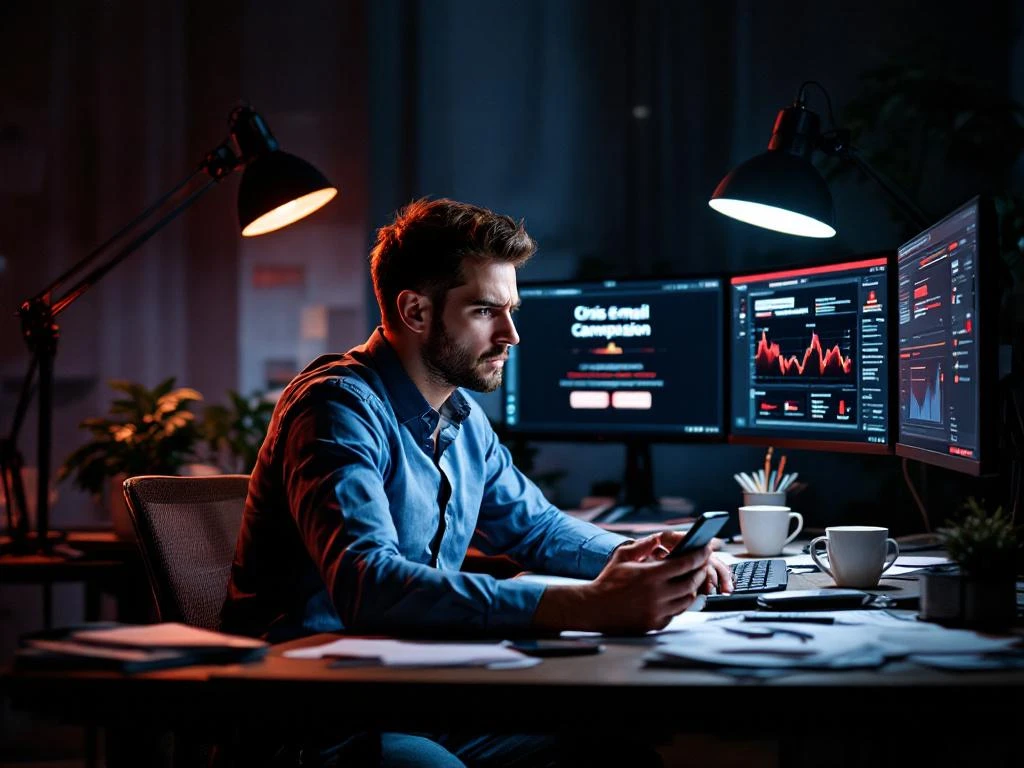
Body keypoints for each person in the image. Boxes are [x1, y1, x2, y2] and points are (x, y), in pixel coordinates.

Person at [222, 198, 731, 766]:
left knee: (617, 750)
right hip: (317, 723)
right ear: (415, 310)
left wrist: (645, 555)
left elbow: (534, 529)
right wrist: (586, 606)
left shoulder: (461, 418)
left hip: (421, 697)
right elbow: (370, 585)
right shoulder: (336, 408)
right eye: (487, 311)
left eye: (511, 310)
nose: (511, 334)